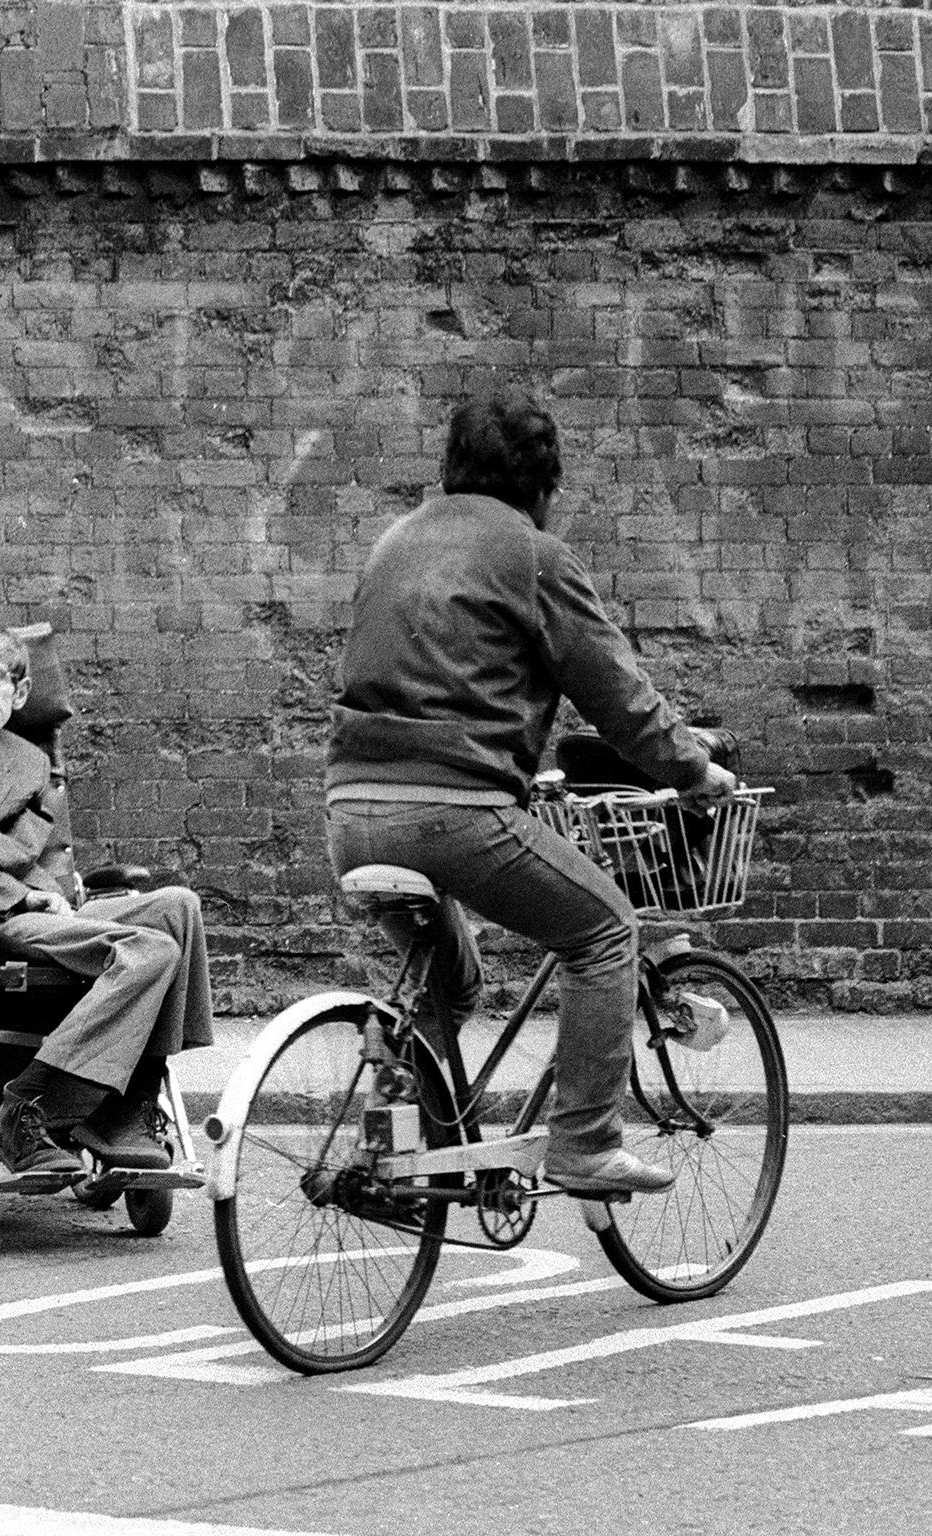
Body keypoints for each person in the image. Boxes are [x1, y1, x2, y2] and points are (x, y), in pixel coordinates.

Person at [325, 391, 736, 1196]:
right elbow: (616, 693)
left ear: (449, 469)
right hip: (453, 813)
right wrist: (694, 771)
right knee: (606, 932)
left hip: (350, 810)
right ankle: (585, 1144)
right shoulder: (533, 554)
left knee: (451, 987)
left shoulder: (394, 543)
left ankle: (407, 1153)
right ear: (546, 484)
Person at [0, 619, 215, 1177]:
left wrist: (42, 893)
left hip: (37, 904)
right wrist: (9, 884)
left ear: (19, 693)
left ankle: (128, 1105)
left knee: (178, 908)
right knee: (150, 952)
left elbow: (33, 849)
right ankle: (28, 1105)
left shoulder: (29, 760)